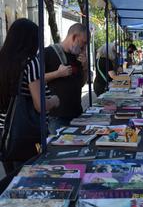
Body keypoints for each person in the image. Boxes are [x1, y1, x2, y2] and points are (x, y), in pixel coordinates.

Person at [0, 18, 59, 173]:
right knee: (28, 182)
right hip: (26, 136)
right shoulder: (31, 63)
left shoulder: (3, 61)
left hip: (5, 136)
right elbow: (40, 105)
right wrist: (54, 100)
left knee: (12, 182)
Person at [44, 23, 88, 134]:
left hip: (77, 113)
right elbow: (35, 80)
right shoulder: (48, 53)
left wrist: (85, 67)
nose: (84, 48)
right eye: (83, 43)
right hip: (58, 116)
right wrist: (57, 74)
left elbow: (81, 83)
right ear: (74, 37)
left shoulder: (77, 56)